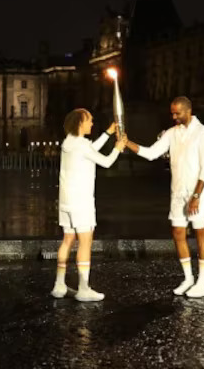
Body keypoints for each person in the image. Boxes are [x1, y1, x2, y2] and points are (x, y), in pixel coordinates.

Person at [125, 96, 204, 298]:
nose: (173, 116)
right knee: (177, 233)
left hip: (198, 193)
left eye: (177, 113)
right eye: (172, 113)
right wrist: (127, 142)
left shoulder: (202, 133)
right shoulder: (172, 133)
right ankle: (188, 278)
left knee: (201, 234)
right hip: (178, 192)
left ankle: (202, 281)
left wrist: (196, 196)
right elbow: (151, 153)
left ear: (188, 110)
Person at [51, 108, 126, 302]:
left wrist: (108, 134)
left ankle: (59, 285)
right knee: (85, 242)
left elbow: (90, 150)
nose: (92, 123)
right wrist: (118, 147)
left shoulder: (68, 142)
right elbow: (107, 161)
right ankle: (83, 288)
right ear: (80, 123)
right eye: (89, 120)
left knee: (67, 239)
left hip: (66, 200)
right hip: (81, 201)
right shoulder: (82, 145)